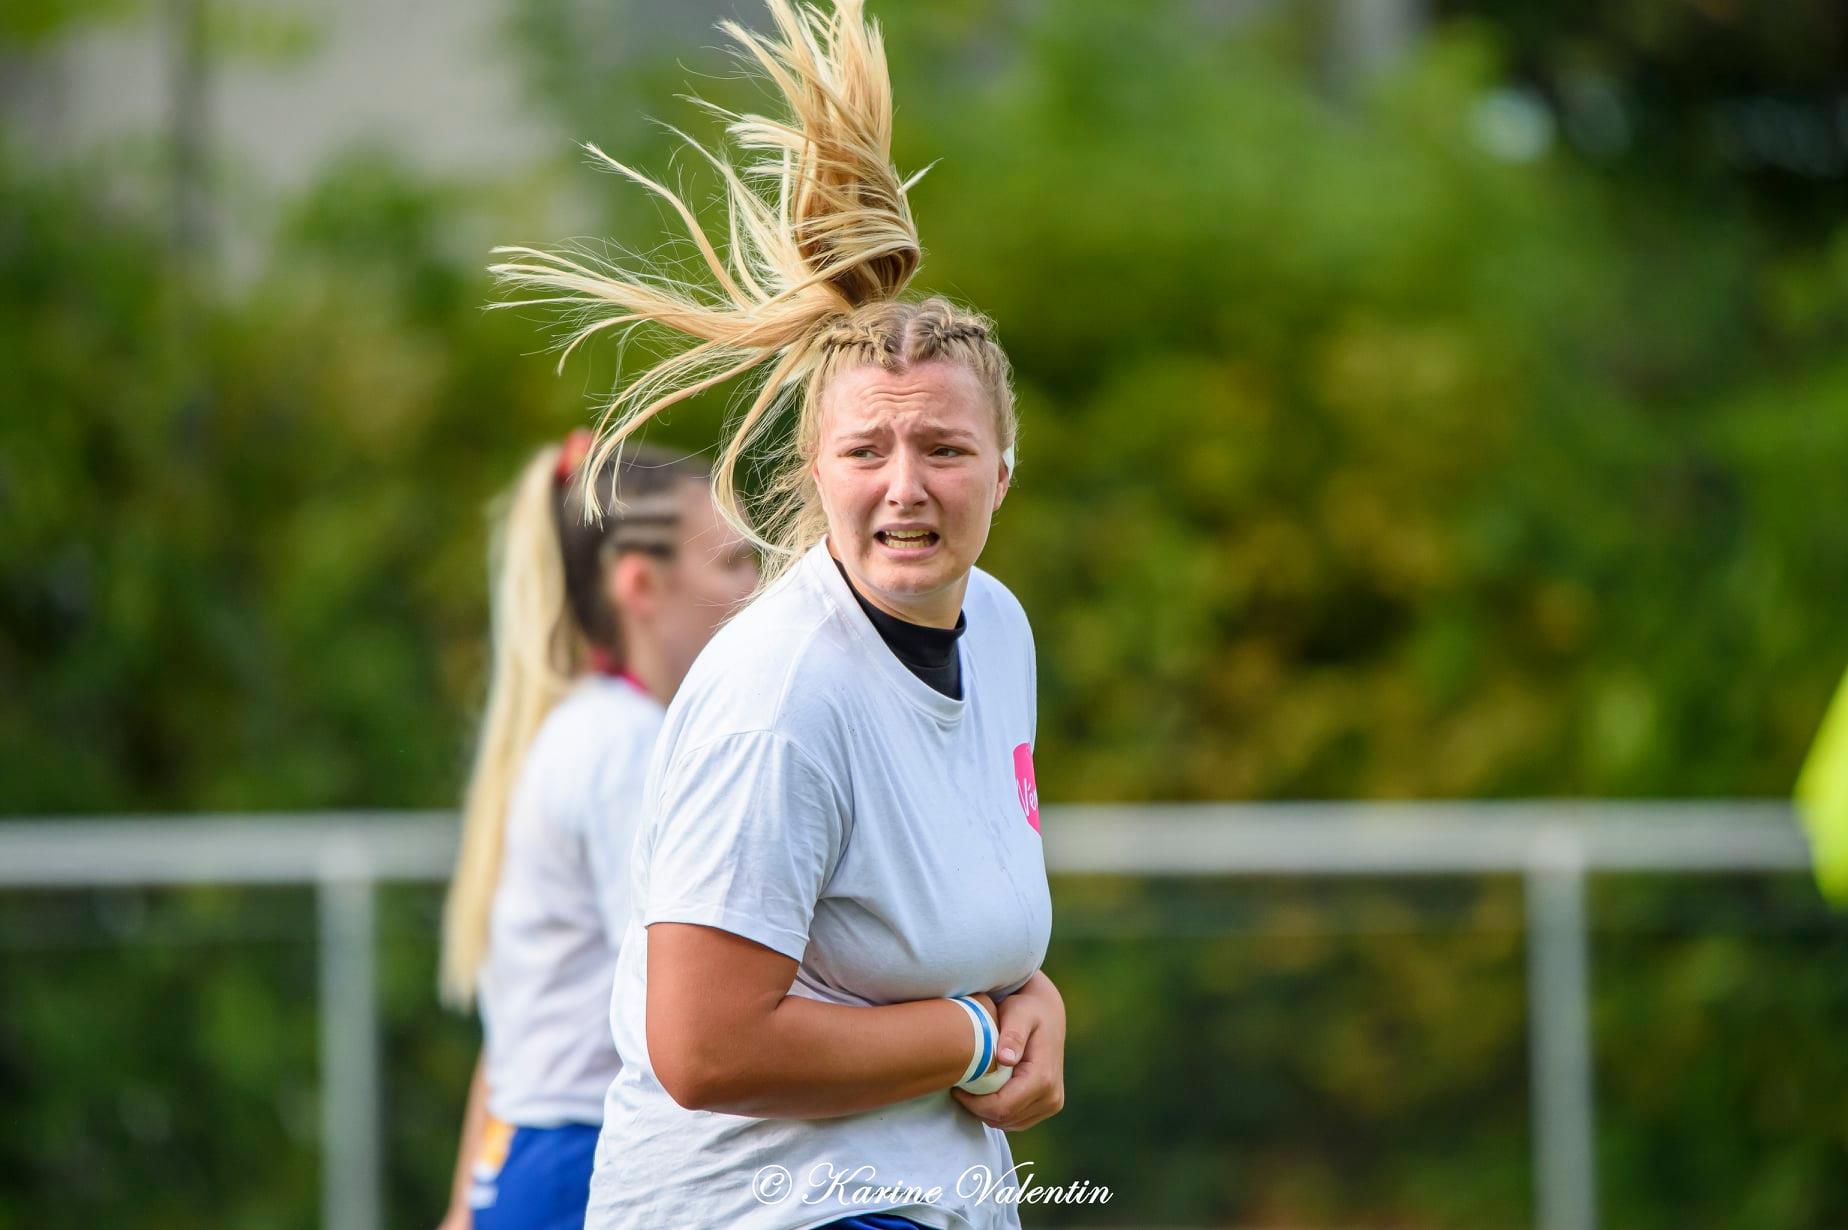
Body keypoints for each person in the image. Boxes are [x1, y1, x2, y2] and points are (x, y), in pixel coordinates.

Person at [491, 2, 1065, 1227]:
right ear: (811, 478)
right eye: (868, 448)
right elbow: (701, 1047)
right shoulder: (780, 692)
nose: (906, 484)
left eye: (947, 448)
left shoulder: (1000, 631)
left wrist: (1035, 1005)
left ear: (1005, 471)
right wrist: (970, 1034)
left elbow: (948, 929)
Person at [435, 432, 758, 1230]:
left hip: (535, 1158)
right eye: (732, 562)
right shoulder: (625, 746)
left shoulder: (590, 729)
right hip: (580, 1162)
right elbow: (679, 1001)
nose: (758, 588)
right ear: (641, 584)